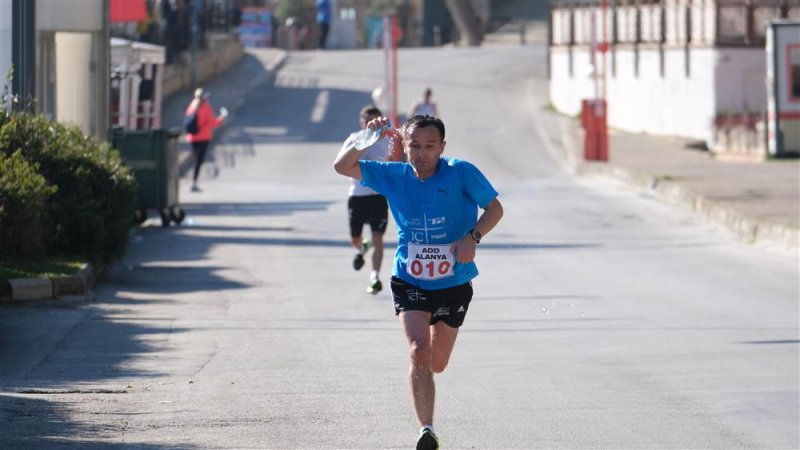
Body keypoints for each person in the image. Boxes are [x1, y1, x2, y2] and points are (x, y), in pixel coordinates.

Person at [333, 115, 504, 449]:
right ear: (404, 145)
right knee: (418, 351)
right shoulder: (393, 175)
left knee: (437, 363)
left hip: (454, 280)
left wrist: (473, 236)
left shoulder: (461, 173)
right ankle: (426, 429)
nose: (421, 153)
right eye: (414, 146)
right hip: (409, 278)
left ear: (442, 147)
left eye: (429, 147)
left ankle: (428, 397)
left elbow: (495, 208)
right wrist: (366, 137)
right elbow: (342, 166)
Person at [341, 105, 394, 294]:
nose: (372, 128)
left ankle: (374, 277)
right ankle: (362, 247)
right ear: (361, 123)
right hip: (357, 196)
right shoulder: (354, 139)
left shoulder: (387, 141)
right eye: (368, 123)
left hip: (378, 196)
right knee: (355, 238)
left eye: (376, 123)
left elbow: (393, 165)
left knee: (378, 238)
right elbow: (341, 163)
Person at [184, 87, 227, 192]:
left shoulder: (191, 107)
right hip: (203, 137)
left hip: (193, 137)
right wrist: (222, 118)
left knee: (196, 159)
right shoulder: (205, 108)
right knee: (199, 160)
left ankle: (194, 182)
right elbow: (212, 122)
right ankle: (194, 182)